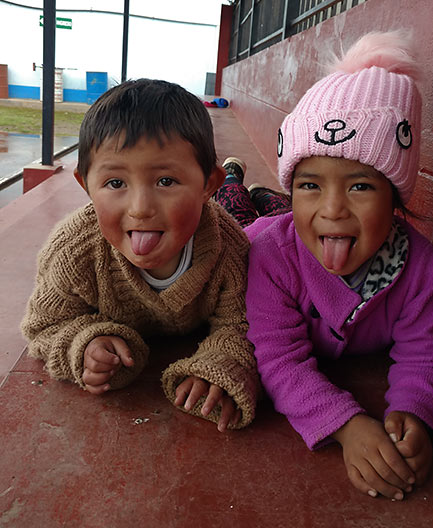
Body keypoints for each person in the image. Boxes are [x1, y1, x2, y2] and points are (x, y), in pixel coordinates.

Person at [215, 31, 433, 499]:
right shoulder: (267, 256)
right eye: (310, 184)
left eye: (360, 187)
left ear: (396, 196)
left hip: (285, 215)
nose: (333, 209)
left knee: (272, 206)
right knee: (234, 208)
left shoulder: (422, 270)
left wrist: (417, 411)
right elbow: (279, 360)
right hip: (259, 227)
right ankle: (234, 177)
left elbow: (425, 357)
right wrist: (346, 424)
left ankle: (269, 195)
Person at [22, 79, 260, 432]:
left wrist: (221, 365)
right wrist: (84, 342)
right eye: (115, 183)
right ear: (86, 184)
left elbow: (241, 324)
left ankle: (241, 186)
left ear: (207, 183)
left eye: (166, 181)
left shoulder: (231, 249)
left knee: (248, 215)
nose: (140, 209)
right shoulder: (74, 252)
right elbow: (44, 325)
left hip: (232, 214)